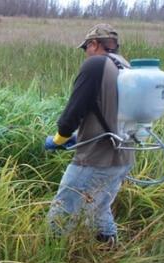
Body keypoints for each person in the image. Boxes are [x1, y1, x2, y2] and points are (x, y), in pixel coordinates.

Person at [44, 23, 134, 247]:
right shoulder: (125, 66)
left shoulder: (95, 65)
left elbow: (74, 110)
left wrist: (59, 139)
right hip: (123, 155)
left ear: (94, 44)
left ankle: (49, 258)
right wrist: (78, 135)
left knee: (62, 210)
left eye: (85, 48)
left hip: (95, 157)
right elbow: (110, 110)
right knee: (99, 208)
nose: (85, 53)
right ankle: (110, 253)